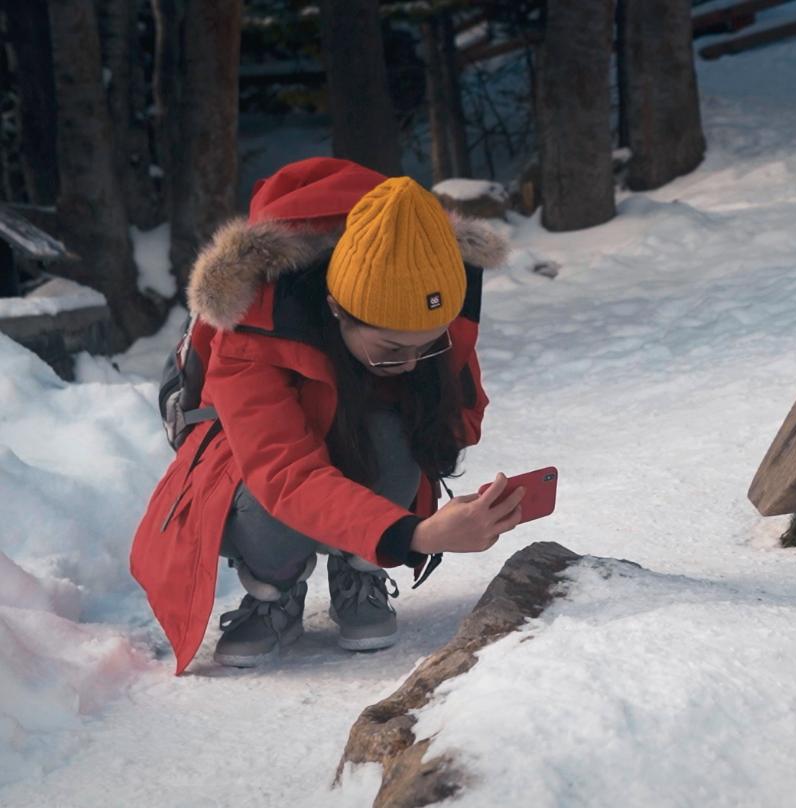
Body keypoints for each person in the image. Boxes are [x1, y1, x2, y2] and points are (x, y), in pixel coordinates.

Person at [130, 158, 522, 673]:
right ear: (337, 308)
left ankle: (360, 569)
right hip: (245, 473)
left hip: (342, 451)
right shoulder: (250, 324)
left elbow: (457, 425)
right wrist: (415, 534)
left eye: (426, 347)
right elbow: (284, 474)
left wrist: (455, 488)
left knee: (396, 435)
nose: (407, 363)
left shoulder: (432, 287)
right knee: (263, 494)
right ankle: (273, 590)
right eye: (389, 348)